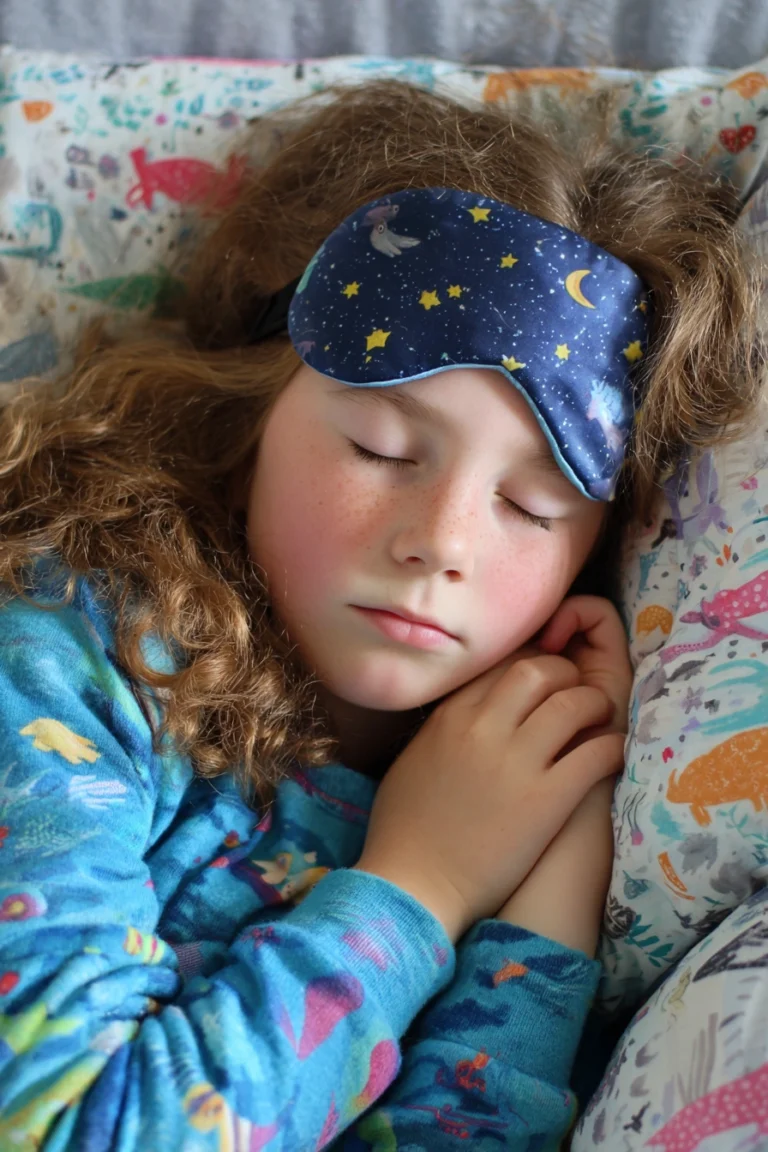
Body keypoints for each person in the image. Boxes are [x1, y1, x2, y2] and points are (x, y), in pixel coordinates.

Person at [0, 80, 759, 1150]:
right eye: (383, 449)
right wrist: (422, 882)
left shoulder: (514, 796)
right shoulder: (69, 637)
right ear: (250, 415)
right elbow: (66, 1128)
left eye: (531, 505)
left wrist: (553, 882)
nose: (442, 541)